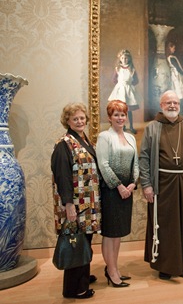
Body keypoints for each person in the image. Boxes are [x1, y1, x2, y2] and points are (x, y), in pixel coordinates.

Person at [139, 90, 183, 280]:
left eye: (175, 102)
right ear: (161, 105)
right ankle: (165, 266)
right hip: (162, 184)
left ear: (179, 104)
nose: (172, 106)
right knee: (164, 225)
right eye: (168, 103)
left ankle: (182, 265)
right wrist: (147, 185)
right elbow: (144, 158)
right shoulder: (152, 127)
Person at [51, 103, 101, 299]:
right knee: (75, 242)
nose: (80, 121)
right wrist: (69, 205)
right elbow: (62, 176)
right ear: (68, 121)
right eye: (75, 119)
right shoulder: (63, 144)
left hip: (87, 204)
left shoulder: (83, 139)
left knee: (84, 241)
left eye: (82, 118)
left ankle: (83, 276)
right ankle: (75, 289)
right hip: (76, 205)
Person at [96, 100, 139, 288]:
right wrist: (119, 186)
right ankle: (111, 271)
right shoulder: (104, 137)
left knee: (118, 233)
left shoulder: (131, 137)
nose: (120, 118)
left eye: (123, 114)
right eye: (116, 114)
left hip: (127, 192)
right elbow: (103, 164)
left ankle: (114, 267)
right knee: (110, 233)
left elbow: (135, 164)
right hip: (111, 192)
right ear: (109, 117)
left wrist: (132, 184)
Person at [108, 49, 140, 134]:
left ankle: (131, 126)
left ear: (129, 59)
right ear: (120, 59)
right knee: (121, 110)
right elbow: (114, 79)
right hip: (120, 91)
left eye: (126, 58)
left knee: (128, 110)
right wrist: (120, 85)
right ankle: (122, 126)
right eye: (123, 58)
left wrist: (129, 84)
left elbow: (136, 80)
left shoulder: (132, 69)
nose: (125, 59)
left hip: (128, 91)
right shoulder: (118, 69)